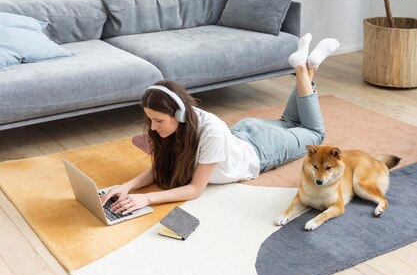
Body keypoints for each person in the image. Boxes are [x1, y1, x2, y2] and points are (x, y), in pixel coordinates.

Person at [101, 34, 339, 215]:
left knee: (315, 135)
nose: (153, 128)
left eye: (158, 120)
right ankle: (308, 66)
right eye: (151, 120)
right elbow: (162, 166)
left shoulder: (209, 132)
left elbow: (195, 189)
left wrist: (147, 199)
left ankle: (302, 67)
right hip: (242, 134)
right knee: (289, 121)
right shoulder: (183, 121)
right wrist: (127, 186)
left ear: (179, 113)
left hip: (262, 150)